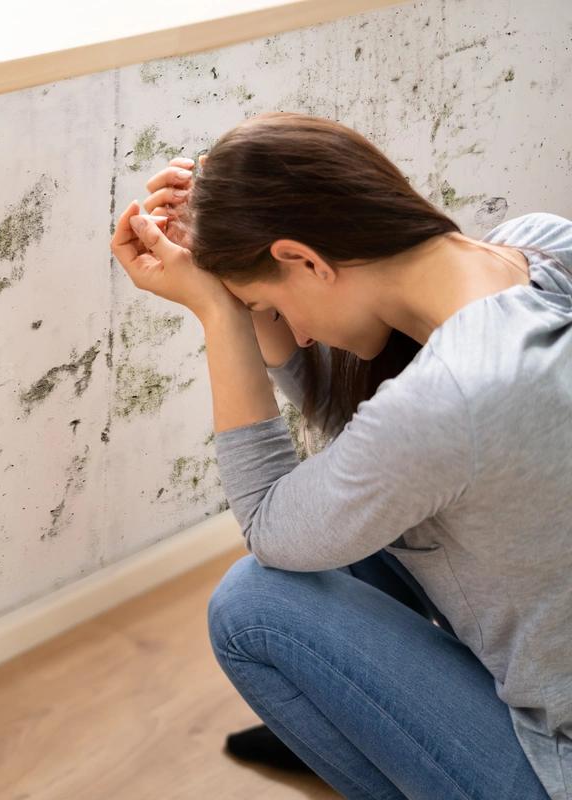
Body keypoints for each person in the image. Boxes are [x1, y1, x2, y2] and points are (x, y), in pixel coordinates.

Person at [109, 111, 571, 800]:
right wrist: (236, 266)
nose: (291, 331)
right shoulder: (542, 248)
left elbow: (271, 525)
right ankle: (375, 728)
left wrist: (220, 316)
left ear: (305, 259)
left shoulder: (454, 397)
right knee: (352, 533)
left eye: (269, 300)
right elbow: (371, 428)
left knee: (253, 605)